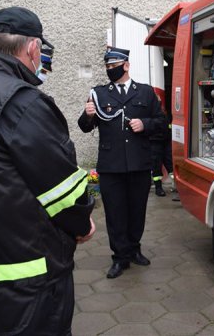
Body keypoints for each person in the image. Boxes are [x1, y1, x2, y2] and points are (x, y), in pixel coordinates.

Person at [0, 6, 96, 335]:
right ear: (32, 48)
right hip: (27, 283)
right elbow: (64, 191)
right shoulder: (20, 103)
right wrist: (82, 222)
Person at [78, 46, 165, 279]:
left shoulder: (146, 93)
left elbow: (161, 122)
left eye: (113, 66)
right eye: (107, 67)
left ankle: (134, 249)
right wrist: (88, 114)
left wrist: (145, 124)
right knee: (115, 214)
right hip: (111, 165)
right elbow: (85, 127)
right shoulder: (99, 93)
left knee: (137, 211)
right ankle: (120, 257)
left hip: (139, 163)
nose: (110, 70)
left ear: (126, 65)